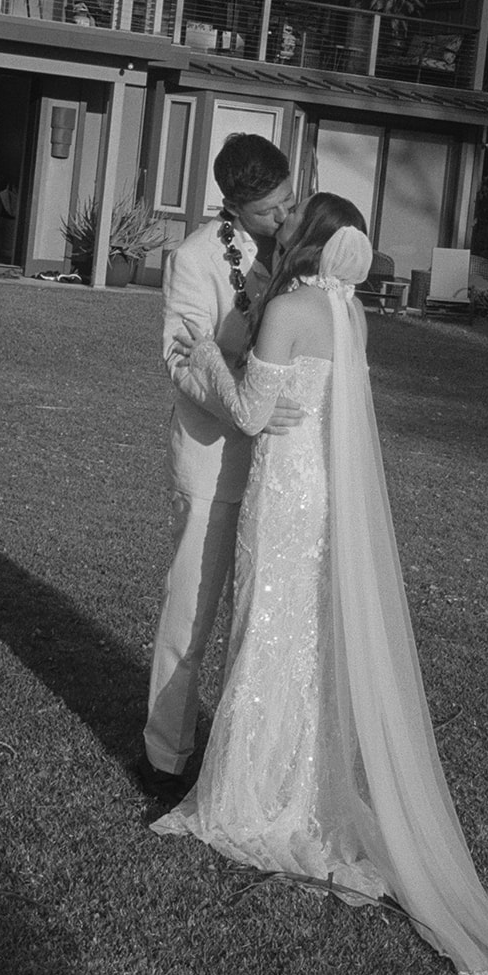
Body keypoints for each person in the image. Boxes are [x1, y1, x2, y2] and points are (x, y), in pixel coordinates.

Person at [152, 194, 488, 975]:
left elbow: (253, 415)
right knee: (301, 639)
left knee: (268, 630)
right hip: (322, 496)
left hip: (282, 495)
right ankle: (296, 778)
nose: (283, 225)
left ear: (308, 238)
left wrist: (206, 360)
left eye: (294, 219)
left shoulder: (289, 308)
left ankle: (255, 792)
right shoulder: (349, 312)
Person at [140, 133, 299, 806]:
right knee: (191, 613)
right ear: (233, 206)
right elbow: (182, 359)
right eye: (268, 211)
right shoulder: (195, 258)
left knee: (261, 620)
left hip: (283, 468)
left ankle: (246, 758)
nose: (283, 218)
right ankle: (165, 756)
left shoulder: (297, 248)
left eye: (288, 202)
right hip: (212, 462)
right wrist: (245, 409)